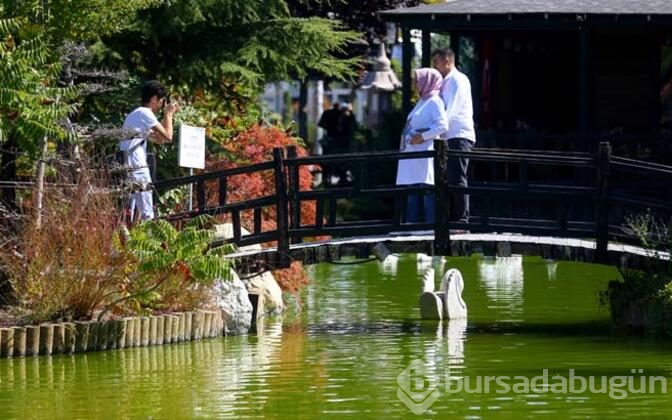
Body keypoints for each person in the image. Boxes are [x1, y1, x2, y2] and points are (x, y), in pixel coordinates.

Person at [120, 80, 180, 221]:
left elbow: (160, 139)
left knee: (133, 212)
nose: (162, 105)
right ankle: (148, 240)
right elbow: (168, 136)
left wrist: (166, 114)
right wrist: (169, 114)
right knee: (147, 212)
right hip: (138, 168)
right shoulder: (145, 113)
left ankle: (132, 241)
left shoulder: (135, 115)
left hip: (128, 166)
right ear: (154, 99)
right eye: (162, 101)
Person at [396, 68, 449, 224]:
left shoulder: (435, 101)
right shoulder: (423, 100)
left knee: (426, 192)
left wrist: (422, 137)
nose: (415, 84)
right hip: (413, 154)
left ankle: (431, 229)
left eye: (418, 80)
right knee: (413, 192)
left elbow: (442, 126)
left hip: (424, 153)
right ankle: (410, 228)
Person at [432, 48, 476, 223]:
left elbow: (452, 109)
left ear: (447, 61)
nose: (435, 67)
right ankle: (450, 218)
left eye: (436, 62)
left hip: (458, 134)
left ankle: (461, 219)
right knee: (448, 178)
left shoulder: (458, 80)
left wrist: (437, 129)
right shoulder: (445, 82)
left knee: (457, 177)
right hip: (446, 135)